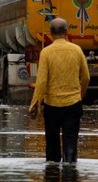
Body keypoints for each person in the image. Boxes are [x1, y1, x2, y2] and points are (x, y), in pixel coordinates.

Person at [28, 17, 90, 164]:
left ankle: (52, 180)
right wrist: (81, 93)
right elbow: (86, 76)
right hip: (73, 103)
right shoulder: (77, 50)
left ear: (50, 33)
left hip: (52, 105)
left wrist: (35, 104)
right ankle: (70, 173)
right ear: (67, 32)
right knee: (70, 142)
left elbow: (41, 81)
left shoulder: (46, 52)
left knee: (52, 146)